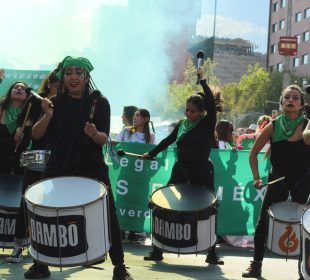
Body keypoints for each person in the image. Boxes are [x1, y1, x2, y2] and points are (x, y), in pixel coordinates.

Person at [25, 56, 133, 280]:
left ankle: (120, 267)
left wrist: (95, 134)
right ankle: (40, 263)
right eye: (69, 73)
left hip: (90, 166)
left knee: (108, 214)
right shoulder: (55, 102)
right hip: (59, 164)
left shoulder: (99, 102)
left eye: (78, 73)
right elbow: (36, 134)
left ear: (86, 77)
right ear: (63, 76)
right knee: (42, 211)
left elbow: (104, 138)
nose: (73, 77)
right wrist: (47, 115)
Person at [142, 68, 224, 265]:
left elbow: (211, 104)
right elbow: (168, 141)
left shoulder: (207, 122)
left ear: (202, 112)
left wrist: (202, 81)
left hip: (202, 171)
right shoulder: (182, 124)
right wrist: (151, 153)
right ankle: (157, 250)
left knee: (208, 210)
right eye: (186, 110)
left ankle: (212, 253)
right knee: (162, 204)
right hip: (181, 169)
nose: (188, 114)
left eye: (192, 111)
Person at [242, 84, 310, 279]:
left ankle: (303, 271)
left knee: (306, 227)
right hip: (277, 180)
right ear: (281, 103)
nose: (291, 100)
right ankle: (256, 266)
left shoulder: (308, 124)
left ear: (302, 104)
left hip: (303, 181)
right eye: (287, 97)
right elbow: (253, 154)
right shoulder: (273, 125)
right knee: (262, 223)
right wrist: (256, 177)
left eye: (296, 97)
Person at [6, 68, 60, 263]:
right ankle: (18, 246)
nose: (57, 86)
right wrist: (22, 127)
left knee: (51, 203)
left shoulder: (67, 102)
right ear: (50, 83)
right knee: (26, 200)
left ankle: (44, 248)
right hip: (37, 153)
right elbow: (23, 121)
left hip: (59, 157)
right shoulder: (37, 99)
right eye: (55, 82)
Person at [0, 80, 30, 175]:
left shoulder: (32, 112)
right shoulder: (1, 108)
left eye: (23, 89)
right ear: (10, 92)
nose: (19, 88)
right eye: (16, 87)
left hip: (22, 163)